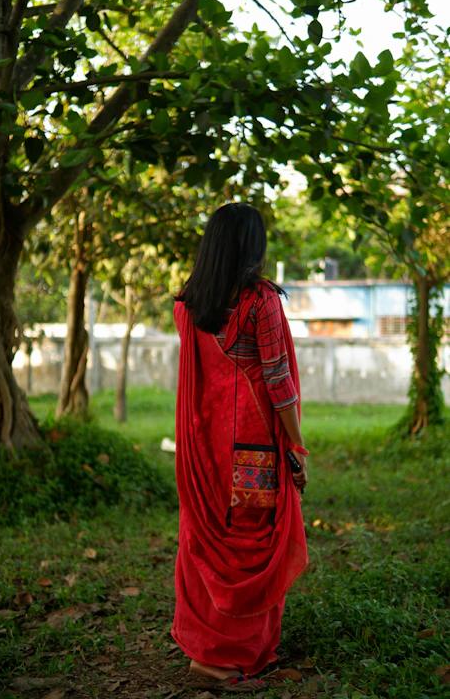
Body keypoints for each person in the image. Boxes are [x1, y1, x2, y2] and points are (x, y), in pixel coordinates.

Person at [171, 203, 308, 692]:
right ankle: (227, 659)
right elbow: (278, 380)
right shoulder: (261, 302)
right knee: (250, 541)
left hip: (201, 447)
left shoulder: (188, 304)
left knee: (208, 536)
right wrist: (296, 442)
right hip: (253, 449)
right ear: (253, 246)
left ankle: (205, 651)